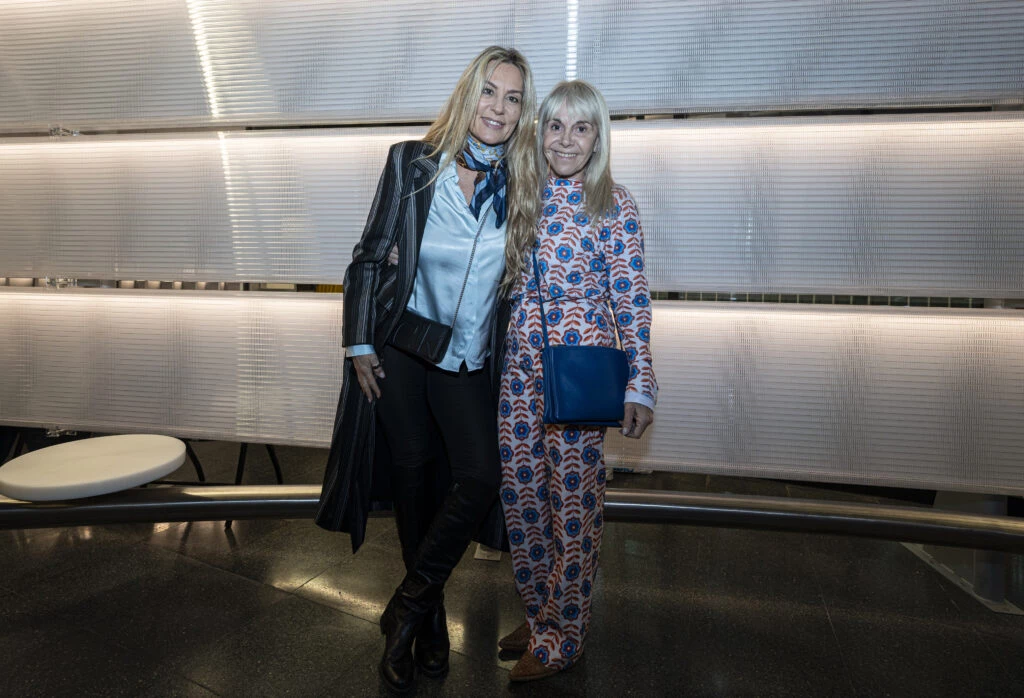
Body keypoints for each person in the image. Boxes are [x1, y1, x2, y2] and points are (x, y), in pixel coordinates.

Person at [314, 46, 538, 693]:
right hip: (403, 347)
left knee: (480, 475)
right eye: (489, 91)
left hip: (467, 355)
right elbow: (368, 256)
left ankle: (408, 606)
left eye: (513, 98)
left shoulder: (524, 184)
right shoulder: (413, 163)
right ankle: (431, 625)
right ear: (469, 94)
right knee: (412, 477)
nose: (498, 108)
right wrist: (359, 342)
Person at [496, 80, 657, 682]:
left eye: (581, 128)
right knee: (523, 502)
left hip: (581, 377)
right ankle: (540, 613)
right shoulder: (522, 195)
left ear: (597, 138)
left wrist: (640, 381)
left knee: (573, 510)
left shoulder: (613, 202)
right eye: (555, 126)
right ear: (539, 133)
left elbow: (631, 298)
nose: (566, 140)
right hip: (519, 375)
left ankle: (564, 635)